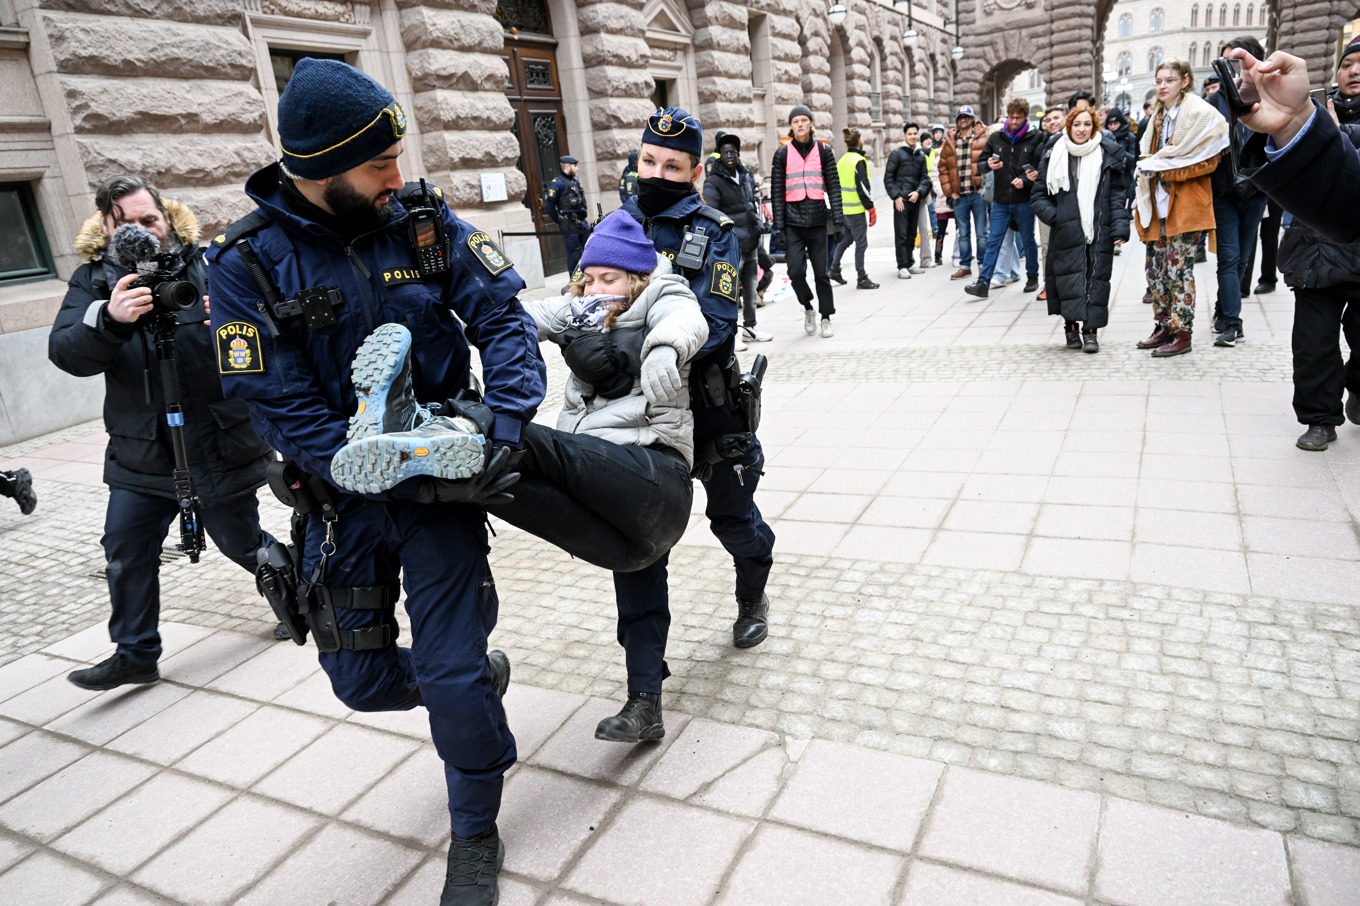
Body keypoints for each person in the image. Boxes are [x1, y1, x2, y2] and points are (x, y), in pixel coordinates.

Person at [205, 59, 547, 905]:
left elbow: (503, 319)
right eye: (378, 166)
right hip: (342, 505)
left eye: (398, 158)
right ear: (320, 173)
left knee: (452, 673)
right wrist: (368, 464)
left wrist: (501, 425)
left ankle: (474, 829)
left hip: (446, 493)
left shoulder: (425, 225)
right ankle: (463, 680)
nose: (398, 177)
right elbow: (275, 406)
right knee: (359, 683)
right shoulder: (245, 267)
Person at [48, 175, 275, 692]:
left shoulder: (212, 265)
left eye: (149, 220)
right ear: (105, 229)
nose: (141, 233)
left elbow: (275, 333)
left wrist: (244, 321)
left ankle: (303, 599)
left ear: (168, 218)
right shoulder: (93, 283)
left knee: (242, 542)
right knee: (125, 546)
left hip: (216, 443)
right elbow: (65, 353)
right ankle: (135, 655)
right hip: (142, 452)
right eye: (125, 224)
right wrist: (107, 321)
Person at [615, 106, 777, 740]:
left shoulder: (715, 232)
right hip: (640, 418)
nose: (656, 173)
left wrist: (637, 341)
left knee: (733, 520)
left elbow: (715, 328)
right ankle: (644, 696)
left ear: (695, 171)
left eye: (672, 166)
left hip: (709, 410)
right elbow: (589, 301)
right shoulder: (617, 225)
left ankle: (751, 593)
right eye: (649, 161)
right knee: (637, 548)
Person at [1265, 37, 1360, 451]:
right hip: (1313, 253)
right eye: (1348, 64)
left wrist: (1337, 135)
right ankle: (1319, 419)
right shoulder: (1309, 113)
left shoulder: (1326, 123)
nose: (1354, 71)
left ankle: (1356, 388)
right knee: (1312, 345)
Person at [1132, 60, 1228, 358]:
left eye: (1170, 80)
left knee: (1178, 270)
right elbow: (1153, 158)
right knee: (1155, 270)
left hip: (1186, 205)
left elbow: (1209, 160)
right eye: (1159, 80)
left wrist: (1165, 169)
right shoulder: (1156, 119)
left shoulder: (1201, 114)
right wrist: (1155, 168)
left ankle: (1181, 333)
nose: (1162, 85)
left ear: (1185, 81)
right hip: (1157, 205)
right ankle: (1162, 326)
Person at [1231, 46, 1360, 245]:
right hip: (1307, 265)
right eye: (1347, 64)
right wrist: (1292, 122)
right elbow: (1349, 206)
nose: (1354, 71)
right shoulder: (1320, 109)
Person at [1030, 102, 1130, 354]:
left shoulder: (1107, 152)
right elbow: (1038, 196)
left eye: (1087, 124)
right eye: (1077, 124)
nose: (1081, 129)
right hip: (1066, 230)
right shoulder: (1055, 151)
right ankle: (1071, 328)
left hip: (1098, 227)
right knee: (1068, 279)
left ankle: (1091, 332)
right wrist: (1058, 217)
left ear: (1094, 126)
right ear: (1069, 125)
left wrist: (1119, 226)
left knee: (1095, 279)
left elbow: (1117, 193)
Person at [1205, 36, 1271, 349]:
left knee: (1243, 258)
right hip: (1224, 192)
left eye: (1235, 62)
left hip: (1256, 191)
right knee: (1228, 258)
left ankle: (1222, 309)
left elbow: (1281, 149)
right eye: (1224, 62)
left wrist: (1255, 180)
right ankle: (1233, 323)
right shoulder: (1213, 102)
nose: (1228, 69)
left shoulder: (1272, 98)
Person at [771, 105, 844, 338]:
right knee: (795, 272)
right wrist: (779, 228)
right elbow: (777, 194)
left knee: (822, 273)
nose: (800, 124)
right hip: (792, 224)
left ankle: (825, 317)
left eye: (804, 120)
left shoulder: (824, 151)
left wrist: (840, 222)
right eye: (795, 121)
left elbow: (833, 186)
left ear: (811, 123)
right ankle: (808, 307)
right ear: (791, 126)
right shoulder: (782, 154)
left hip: (818, 221)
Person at [964, 97, 1044, 299]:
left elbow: (1039, 168)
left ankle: (1032, 277)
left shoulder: (1036, 137)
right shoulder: (997, 137)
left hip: (1024, 199)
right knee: (994, 241)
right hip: (1000, 200)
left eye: (1018, 118)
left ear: (1026, 117)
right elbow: (981, 162)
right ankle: (983, 283)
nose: (1014, 121)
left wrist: (1025, 181)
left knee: (1027, 240)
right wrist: (988, 164)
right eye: (1011, 117)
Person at [703, 132, 775, 342]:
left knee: (751, 289)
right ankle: (731, 336)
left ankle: (750, 328)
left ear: (738, 154)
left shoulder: (744, 175)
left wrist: (757, 225)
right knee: (730, 292)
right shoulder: (713, 181)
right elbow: (712, 215)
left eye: (733, 152)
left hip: (751, 241)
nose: (730, 156)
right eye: (725, 152)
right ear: (719, 155)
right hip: (732, 245)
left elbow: (749, 203)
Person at [938, 105, 991, 280]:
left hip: (978, 194)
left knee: (982, 233)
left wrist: (985, 186)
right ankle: (965, 266)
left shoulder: (982, 137)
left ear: (972, 118)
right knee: (963, 233)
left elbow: (991, 161)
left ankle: (983, 266)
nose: (963, 120)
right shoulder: (951, 140)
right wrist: (949, 191)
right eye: (960, 117)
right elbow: (943, 168)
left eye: (966, 117)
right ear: (957, 120)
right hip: (959, 196)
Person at [830, 127, 879, 290]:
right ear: (860, 141)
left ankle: (834, 269)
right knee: (861, 245)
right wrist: (871, 209)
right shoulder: (858, 160)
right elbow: (863, 188)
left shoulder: (842, 160)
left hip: (844, 210)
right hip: (856, 210)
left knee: (845, 240)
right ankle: (861, 277)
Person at [885, 122, 931, 278]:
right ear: (904, 136)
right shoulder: (896, 154)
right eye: (910, 134)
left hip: (915, 200)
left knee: (912, 233)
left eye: (915, 133)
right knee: (902, 234)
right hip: (901, 201)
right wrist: (896, 196)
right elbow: (888, 178)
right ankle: (902, 266)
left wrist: (919, 192)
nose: (913, 136)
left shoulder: (921, 155)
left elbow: (925, 178)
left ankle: (910, 262)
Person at [544, 155, 589, 274]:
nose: (577, 168)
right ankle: (574, 283)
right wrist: (559, 220)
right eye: (575, 166)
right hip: (569, 224)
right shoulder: (557, 183)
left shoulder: (574, 181)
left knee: (590, 247)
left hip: (581, 222)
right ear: (568, 167)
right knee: (574, 253)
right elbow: (549, 205)